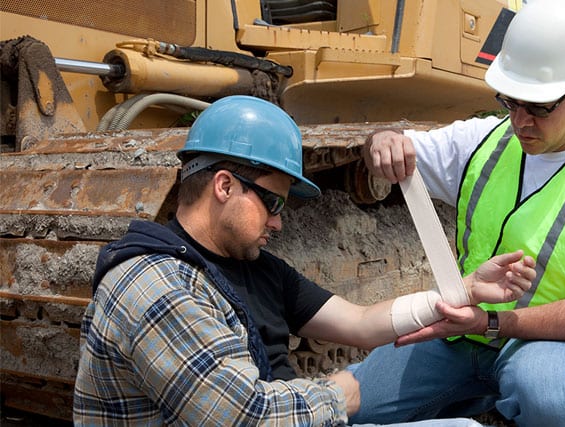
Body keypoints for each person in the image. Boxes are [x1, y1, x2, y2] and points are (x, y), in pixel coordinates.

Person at [72, 95, 538, 426]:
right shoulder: (158, 287)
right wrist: (344, 391)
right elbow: (245, 416)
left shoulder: (254, 266)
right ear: (224, 186)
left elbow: (358, 323)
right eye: (273, 203)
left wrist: (461, 292)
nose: (278, 224)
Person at [346, 0, 565, 426]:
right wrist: (381, 140)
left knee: (550, 396)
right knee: (353, 404)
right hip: (464, 333)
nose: (521, 121)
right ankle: (486, 405)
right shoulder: (484, 141)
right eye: (510, 102)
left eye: (539, 107)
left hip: (553, 344)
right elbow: (389, 148)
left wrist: (494, 322)